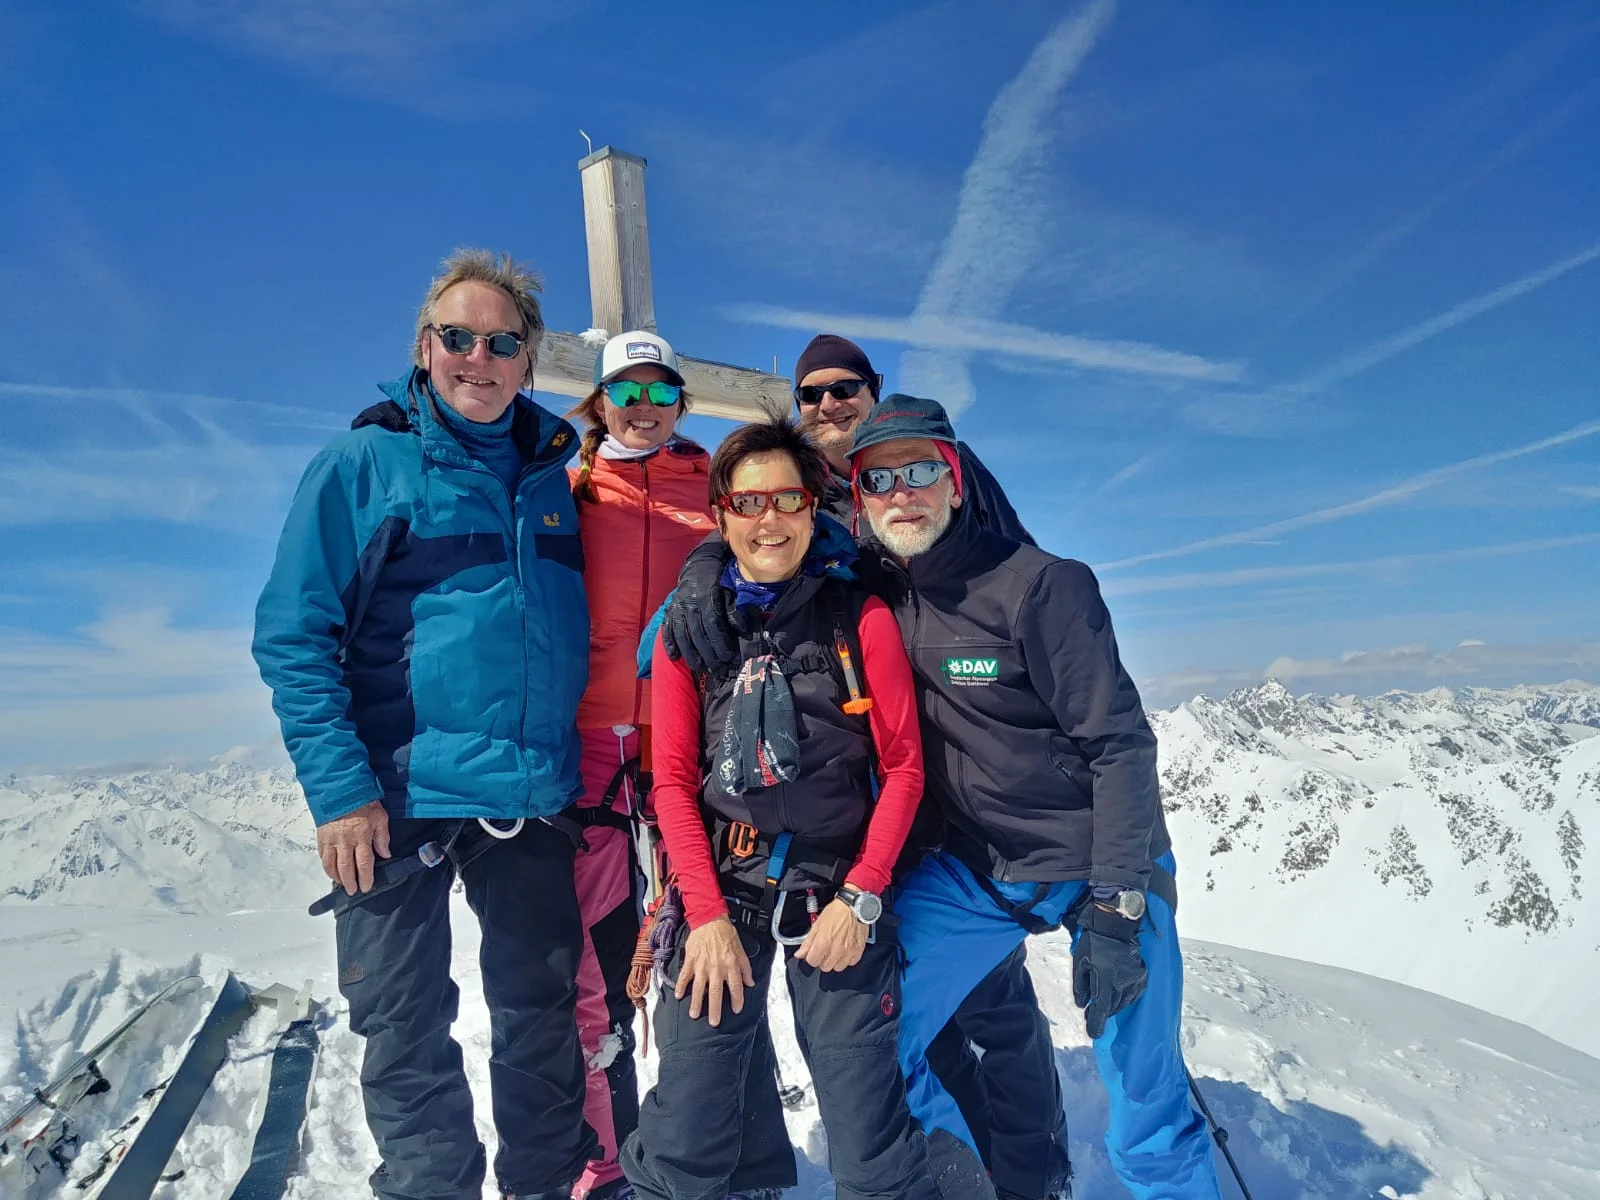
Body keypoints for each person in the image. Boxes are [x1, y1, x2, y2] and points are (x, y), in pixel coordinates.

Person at [667, 335, 1071, 1200]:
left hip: (961, 791)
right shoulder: (801, 512)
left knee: (990, 1005)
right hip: (861, 805)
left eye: (842, 389)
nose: (826, 407)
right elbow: (750, 538)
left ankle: (1033, 1178)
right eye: (809, 395)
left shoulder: (928, 472)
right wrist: (702, 569)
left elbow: (1013, 591)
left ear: (873, 392)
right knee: (909, 1026)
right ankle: (952, 1167)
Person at [253, 249, 596, 1200]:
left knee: (539, 1017)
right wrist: (342, 791)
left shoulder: (553, 477)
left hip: (527, 794)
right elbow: (293, 634)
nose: (476, 359)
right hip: (393, 797)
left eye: (500, 343)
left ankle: (544, 1186)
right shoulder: (364, 465)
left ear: (528, 361)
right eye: (457, 337)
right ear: (423, 346)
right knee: (403, 1024)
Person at [847, 397, 1224, 1200]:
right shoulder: (873, 588)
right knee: (866, 1034)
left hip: (1102, 868)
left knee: (1145, 1112)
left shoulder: (1041, 587)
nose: (901, 492)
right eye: (879, 478)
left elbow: (1119, 743)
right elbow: (762, 560)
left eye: (920, 471)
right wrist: (703, 576)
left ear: (954, 479)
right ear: (860, 498)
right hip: (983, 871)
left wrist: (1118, 904)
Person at [621, 416, 984, 1200]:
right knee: (686, 1132)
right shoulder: (694, 630)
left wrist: (862, 896)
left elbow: (904, 767)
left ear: (811, 507)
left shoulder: (861, 617)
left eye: (786, 498)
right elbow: (674, 785)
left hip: (835, 886)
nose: (768, 520)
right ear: (722, 515)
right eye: (748, 503)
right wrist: (707, 919)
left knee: (868, 1146)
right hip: (726, 883)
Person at [566, 330, 789, 1200]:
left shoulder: (714, 487)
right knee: (592, 966)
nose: (644, 408)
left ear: (683, 404)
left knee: (710, 941)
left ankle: (735, 1157)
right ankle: (603, 1157)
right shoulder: (571, 487)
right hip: (588, 747)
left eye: (662, 393)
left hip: (694, 747)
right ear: (597, 401)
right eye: (626, 392)